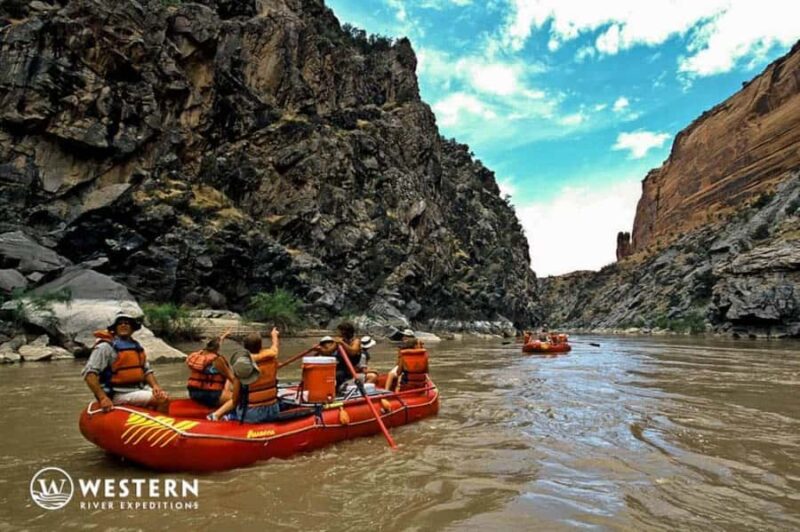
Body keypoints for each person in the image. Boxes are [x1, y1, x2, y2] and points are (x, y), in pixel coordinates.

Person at [82, 310, 169, 413]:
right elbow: (89, 374)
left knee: (164, 395)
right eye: (120, 323)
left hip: (139, 388)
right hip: (117, 393)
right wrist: (103, 398)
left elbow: (146, 371)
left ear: (132, 328)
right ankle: (159, 422)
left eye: (127, 323)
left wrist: (155, 386)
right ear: (114, 328)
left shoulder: (136, 347)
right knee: (162, 400)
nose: (123, 325)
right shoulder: (105, 347)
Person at [209, 330, 280, 422]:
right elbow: (275, 347)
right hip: (273, 410)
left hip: (252, 414)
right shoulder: (272, 358)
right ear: (261, 346)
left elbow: (235, 400)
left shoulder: (242, 366)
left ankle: (225, 417)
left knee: (236, 401)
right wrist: (274, 335)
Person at [186, 329, 234, 407]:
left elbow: (217, 342)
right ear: (218, 348)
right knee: (240, 398)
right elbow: (232, 378)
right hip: (210, 394)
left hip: (193, 392)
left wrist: (224, 335)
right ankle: (219, 413)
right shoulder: (217, 360)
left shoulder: (197, 355)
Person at [333, 321, 362, 391]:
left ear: (345, 332)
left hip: (349, 369)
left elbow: (353, 352)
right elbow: (328, 352)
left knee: (338, 375)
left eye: (339, 331)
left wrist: (342, 343)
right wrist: (320, 349)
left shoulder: (356, 341)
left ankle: (336, 391)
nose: (338, 333)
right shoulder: (340, 341)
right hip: (339, 367)